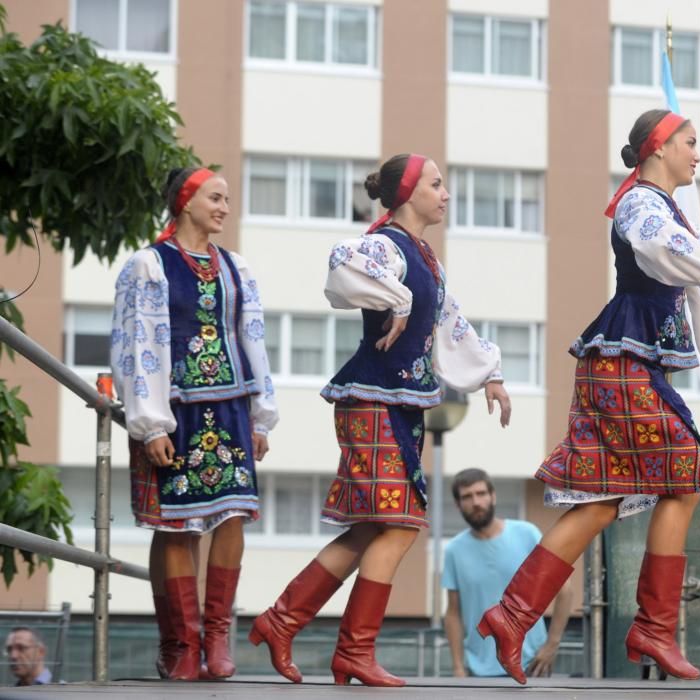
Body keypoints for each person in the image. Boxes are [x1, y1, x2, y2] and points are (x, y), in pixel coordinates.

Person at [477, 109, 700, 684]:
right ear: (658, 149)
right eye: (689, 143)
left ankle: (513, 616)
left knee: (604, 501)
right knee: (686, 474)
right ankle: (652, 628)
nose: (697, 154)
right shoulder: (641, 205)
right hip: (622, 367)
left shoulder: (672, 215)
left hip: (628, 367)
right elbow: (670, 255)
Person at [248, 153, 512, 687]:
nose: (446, 193)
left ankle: (283, 621)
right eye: (437, 184)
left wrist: (490, 373)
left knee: (372, 526)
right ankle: (352, 649)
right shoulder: (383, 243)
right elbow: (342, 263)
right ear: (409, 191)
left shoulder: (424, 256)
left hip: (400, 404)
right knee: (402, 524)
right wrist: (396, 298)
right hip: (372, 400)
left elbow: (449, 320)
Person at [111, 167, 278, 681]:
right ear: (185, 202)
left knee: (232, 516)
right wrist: (149, 423)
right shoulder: (148, 266)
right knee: (176, 524)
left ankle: (216, 637)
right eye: (215, 197)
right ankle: (180, 644)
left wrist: (261, 415)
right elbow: (133, 343)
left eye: (227, 198)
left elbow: (253, 339)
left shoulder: (235, 268)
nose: (225, 207)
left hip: (231, 405)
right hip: (173, 409)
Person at [443, 468, 573, 678]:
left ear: (493, 496)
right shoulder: (453, 550)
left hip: (532, 664)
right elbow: (453, 614)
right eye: (467, 496)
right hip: (478, 671)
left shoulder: (527, 533)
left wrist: (551, 644)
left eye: (481, 493)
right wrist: (458, 667)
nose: (476, 502)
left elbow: (564, 590)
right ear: (458, 505)